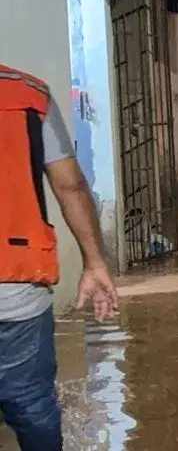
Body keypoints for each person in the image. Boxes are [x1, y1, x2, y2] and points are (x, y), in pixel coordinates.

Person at [0, 64, 118, 450]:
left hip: (18, 293)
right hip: (16, 289)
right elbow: (70, 185)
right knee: (31, 407)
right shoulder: (28, 94)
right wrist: (96, 263)